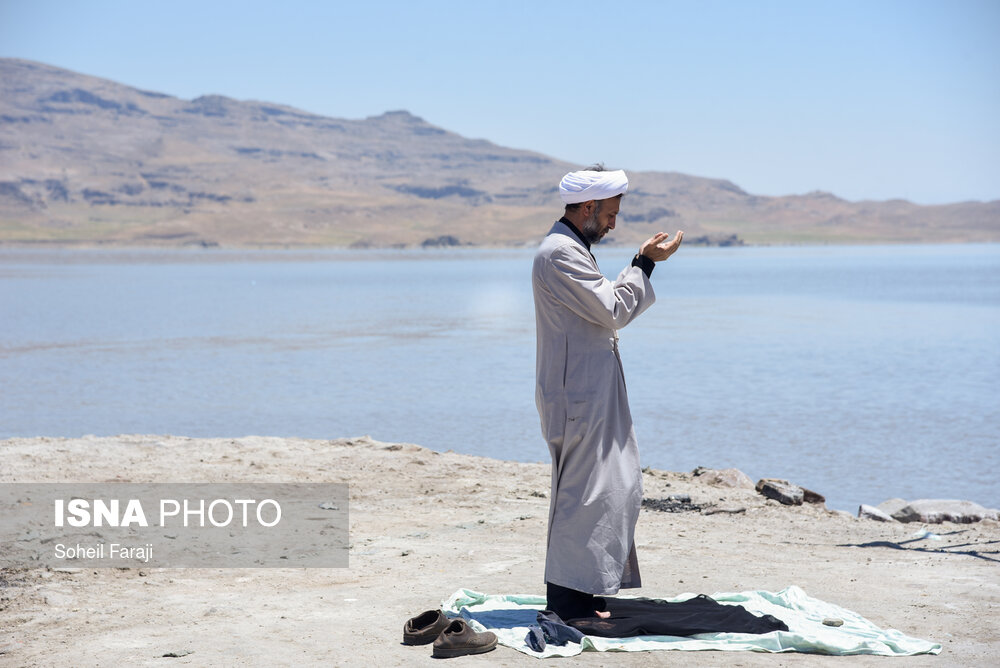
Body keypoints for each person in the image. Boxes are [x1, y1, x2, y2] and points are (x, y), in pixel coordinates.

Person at [532, 166, 683, 621]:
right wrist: (644, 264)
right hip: (576, 395)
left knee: (611, 488)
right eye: (611, 213)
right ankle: (566, 598)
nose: (615, 223)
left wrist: (640, 262)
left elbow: (602, 302)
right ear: (589, 207)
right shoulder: (560, 254)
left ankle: (588, 588)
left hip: (587, 389)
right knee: (586, 492)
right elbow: (614, 310)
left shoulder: (572, 250)